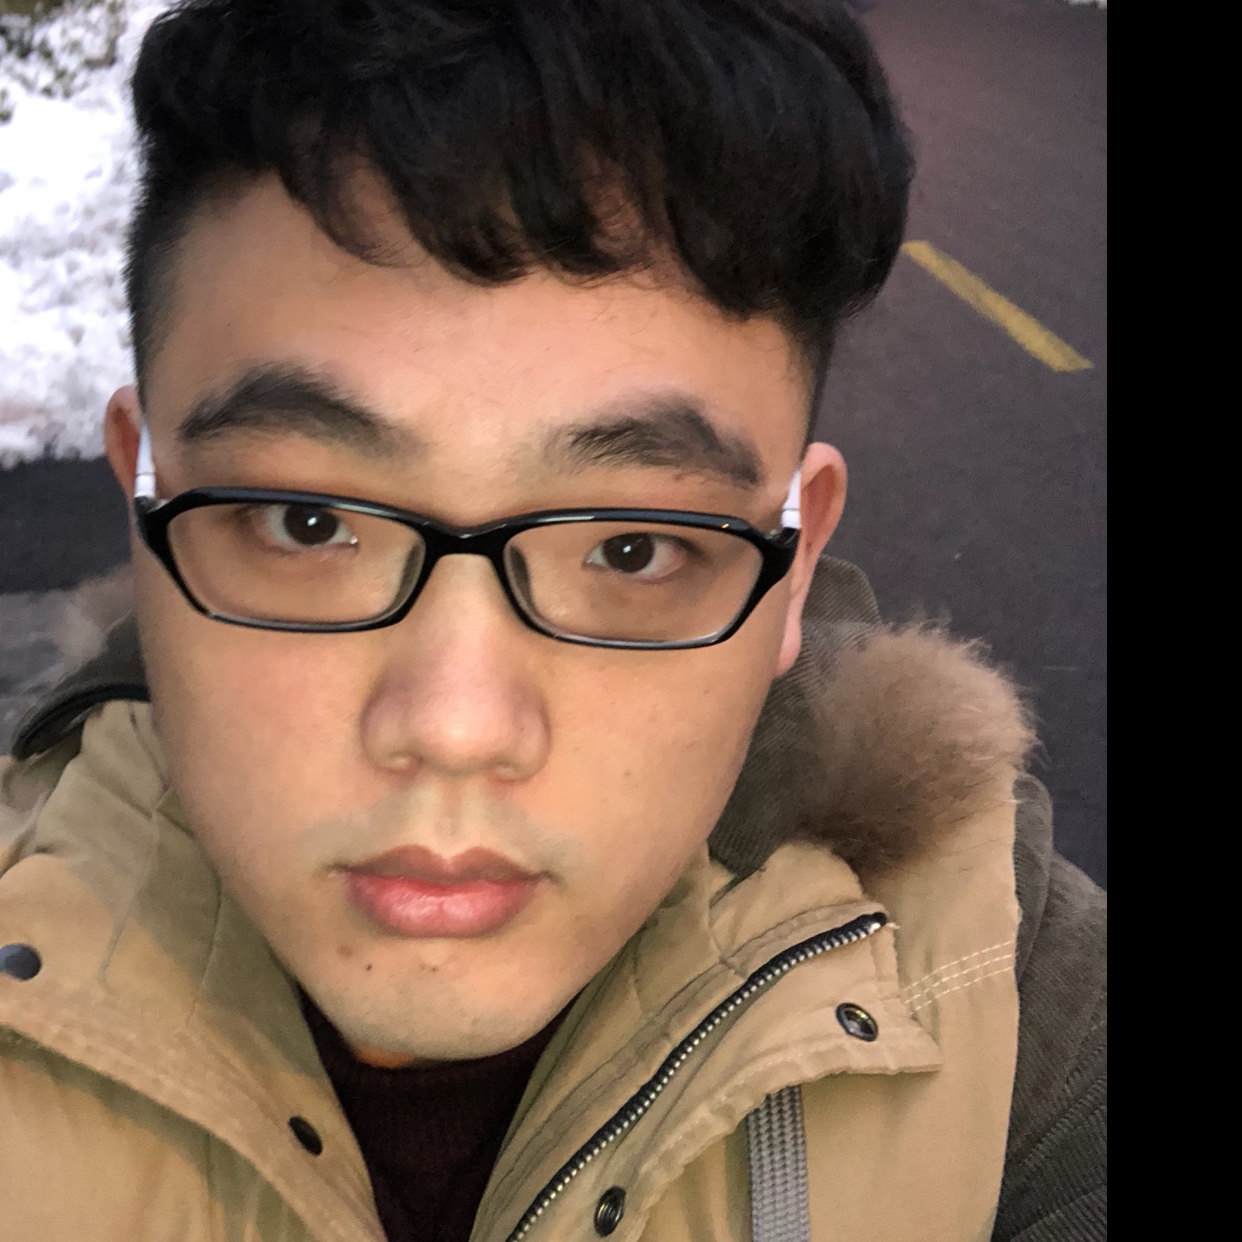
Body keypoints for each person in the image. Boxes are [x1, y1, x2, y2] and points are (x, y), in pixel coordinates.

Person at [0, 1, 1105, 1239]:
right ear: (142, 497)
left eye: (633, 549)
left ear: (793, 569)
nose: (457, 728)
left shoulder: (1022, 1024)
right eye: (308, 523)